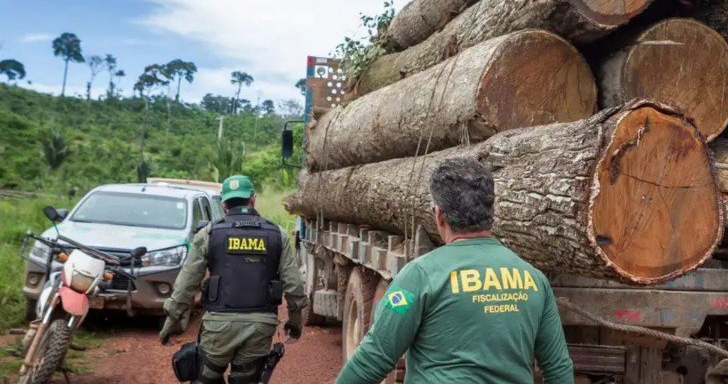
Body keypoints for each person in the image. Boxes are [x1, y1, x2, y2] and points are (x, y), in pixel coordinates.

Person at [337, 157, 574, 383]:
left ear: (439, 215)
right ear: (492, 211)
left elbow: (374, 357)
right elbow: (557, 367)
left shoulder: (420, 276)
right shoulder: (534, 279)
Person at [159, 174, 308, 384]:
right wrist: (295, 323)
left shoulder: (209, 234)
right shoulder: (278, 235)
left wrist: (171, 321)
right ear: (253, 199)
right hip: (260, 326)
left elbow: (186, 284)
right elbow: (294, 287)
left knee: (205, 378)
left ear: (223, 203)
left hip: (218, 327)